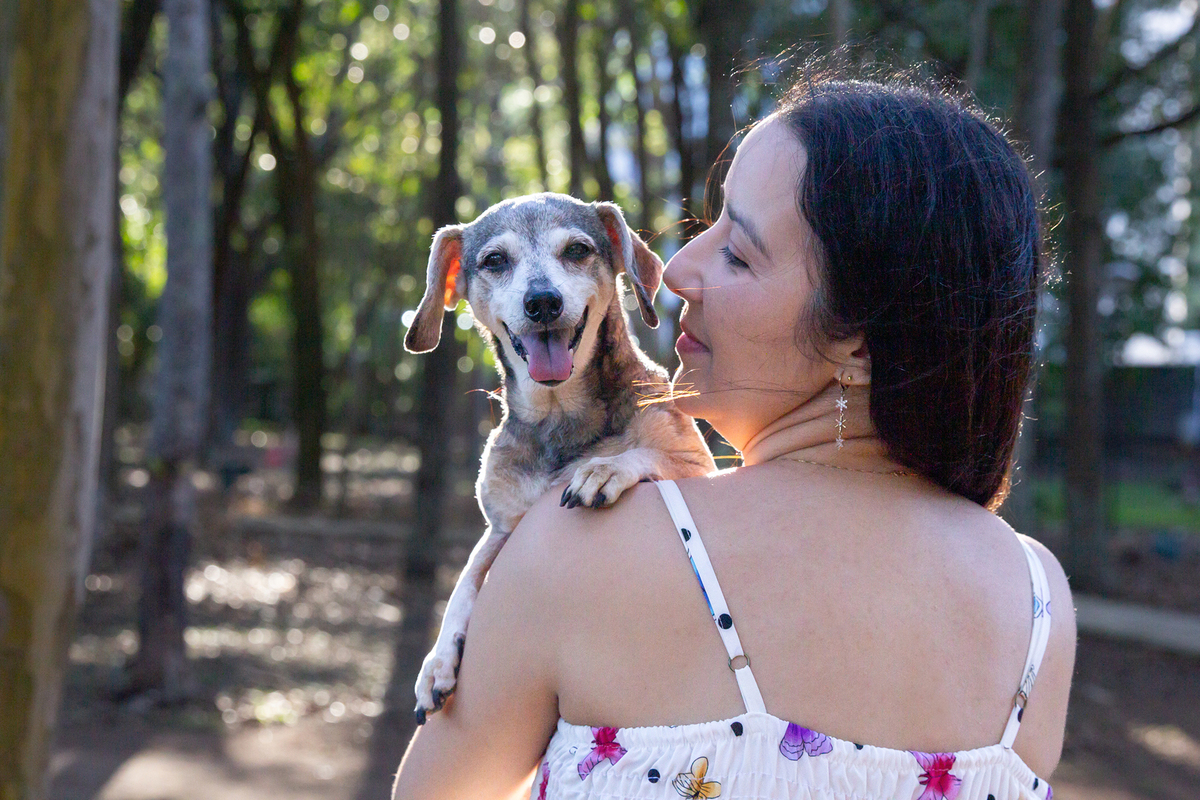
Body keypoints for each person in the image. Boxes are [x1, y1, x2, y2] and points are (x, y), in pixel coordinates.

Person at [392, 73, 1076, 800]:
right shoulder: (1041, 607)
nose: (678, 270)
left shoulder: (575, 541)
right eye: (708, 227)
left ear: (857, 343)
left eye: (738, 253)